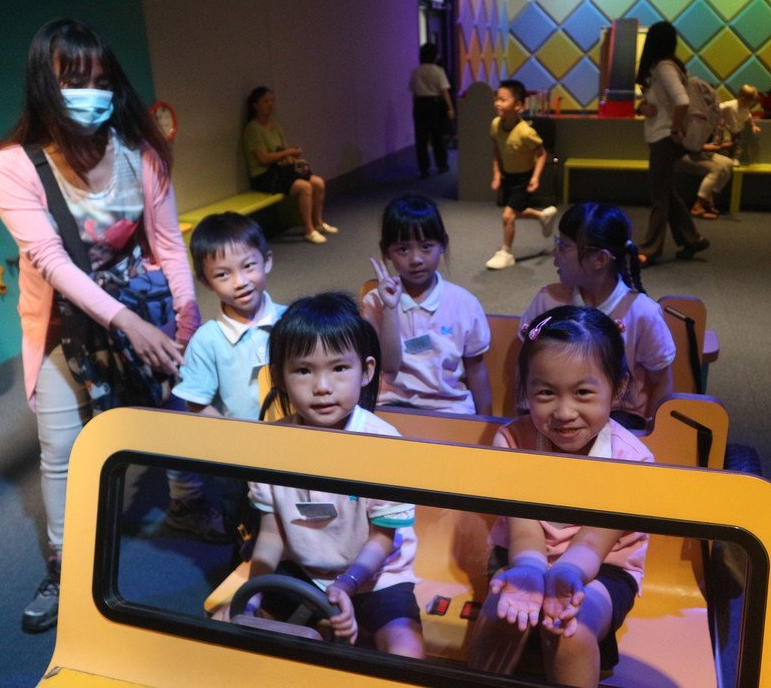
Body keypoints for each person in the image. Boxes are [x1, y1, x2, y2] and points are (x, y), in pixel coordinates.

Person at [0, 18, 201, 633]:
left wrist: (186, 321)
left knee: (173, 410)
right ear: (44, 86)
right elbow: (50, 261)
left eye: (101, 79)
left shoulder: (142, 154)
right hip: (64, 321)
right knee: (61, 448)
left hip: (145, 304)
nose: (91, 93)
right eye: (73, 80)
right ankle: (66, 564)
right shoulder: (12, 166)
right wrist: (126, 323)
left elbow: (168, 244)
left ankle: (187, 504)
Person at [467, 306, 653, 687]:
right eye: (546, 393)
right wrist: (530, 570)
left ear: (617, 388)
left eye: (583, 393)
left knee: (570, 629)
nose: (564, 412)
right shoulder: (512, 441)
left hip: (603, 568)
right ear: (526, 390)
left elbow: (595, 541)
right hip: (520, 555)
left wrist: (566, 574)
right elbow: (523, 530)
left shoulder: (632, 460)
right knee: (500, 615)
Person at [248, 292, 424, 657]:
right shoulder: (268, 445)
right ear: (279, 377)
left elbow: (383, 537)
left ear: (367, 371)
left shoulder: (385, 444)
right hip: (301, 574)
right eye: (303, 370)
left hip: (376, 577)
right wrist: (252, 597)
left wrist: (347, 584)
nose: (322, 387)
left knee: (406, 651)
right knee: (252, 638)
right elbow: (271, 533)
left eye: (339, 368)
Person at [519, 203, 675, 428]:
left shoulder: (643, 313)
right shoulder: (547, 300)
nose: (555, 254)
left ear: (600, 259)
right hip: (556, 414)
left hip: (621, 420)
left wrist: (654, 433)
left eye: (563, 246)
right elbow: (525, 365)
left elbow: (661, 381)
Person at [361, 194, 492, 415]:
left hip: (450, 406)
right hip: (390, 405)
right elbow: (388, 367)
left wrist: (486, 422)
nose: (416, 259)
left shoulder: (465, 303)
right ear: (387, 251)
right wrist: (390, 309)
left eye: (426, 246)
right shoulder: (374, 301)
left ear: (443, 244)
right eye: (403, 249)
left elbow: (476, 368)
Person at [172, 213, 286, 421]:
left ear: (267, 261)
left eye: (248, 265)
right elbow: (197, 404)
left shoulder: (292, 319)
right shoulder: (205, 341)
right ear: (206, 282)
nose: (240, 282)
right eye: (222, 274)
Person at [635, 21, 710, 266]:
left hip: (665, 138)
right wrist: (642, 107)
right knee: (666, 190)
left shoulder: (665, 67)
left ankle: (650, 249)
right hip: (661, 137)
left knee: (659, 196)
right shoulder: (662, 68)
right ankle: (692, 239)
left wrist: (676, 127)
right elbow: (659, 102)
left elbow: (682, 100)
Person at [243, 87, 337, 244]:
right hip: (264, 176)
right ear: (255, 106)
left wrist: (293, 154)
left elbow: (283, 149)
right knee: (305, 187)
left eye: (272, 101)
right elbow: (263, 158)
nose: (270, 104)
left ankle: (319, 223)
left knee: (319, 183)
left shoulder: (275, 126)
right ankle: (309, 230)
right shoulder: (252, 129)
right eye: (265, 101)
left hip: (280, 171)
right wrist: (287, 153)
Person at [485, 79, 558, 270]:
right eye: (496, 99)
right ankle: (543, 216)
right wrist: (496, 174)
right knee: (515, 211)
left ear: (518, 105)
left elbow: (542, 154)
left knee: (508, 215)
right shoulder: (496, 125)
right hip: (508, 176)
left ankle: (506, 253)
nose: (497, 103)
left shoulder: (526, 132)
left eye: (503, 100)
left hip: (523, 178)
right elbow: (497, 150)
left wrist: (535, 178)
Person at [409, 42, 455, 179]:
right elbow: (444, 91)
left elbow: (414, 92)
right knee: (437, 136)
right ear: (434, 55)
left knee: (421, 138)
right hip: (435, 104)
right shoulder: (438, 70)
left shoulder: (415, 71)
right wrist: (450, 108)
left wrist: (415, 106)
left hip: (420, 105)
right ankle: (442, 165)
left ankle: (424, 169)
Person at [719, 84, 762, 166]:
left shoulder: (746, 108)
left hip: (739, 129)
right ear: (742, 98)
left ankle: (735, 159)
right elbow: (717, 109)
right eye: (749, 101)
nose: (750, 103)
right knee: (726, 144)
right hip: (727, 129)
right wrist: (719, 121)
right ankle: (725, 159)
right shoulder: (730, 105)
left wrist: (753, 126)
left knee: (738, 145)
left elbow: (749, 117)